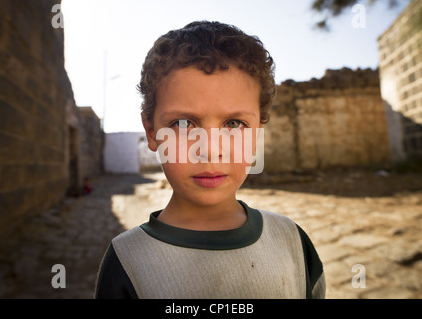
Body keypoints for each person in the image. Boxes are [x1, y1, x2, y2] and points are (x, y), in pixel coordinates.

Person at [95, 21, 325, 299]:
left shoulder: (292, 242)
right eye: (183, 124)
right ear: (151, 132)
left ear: (257, 134)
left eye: (234, 123)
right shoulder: (127, 260)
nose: (210, 150)